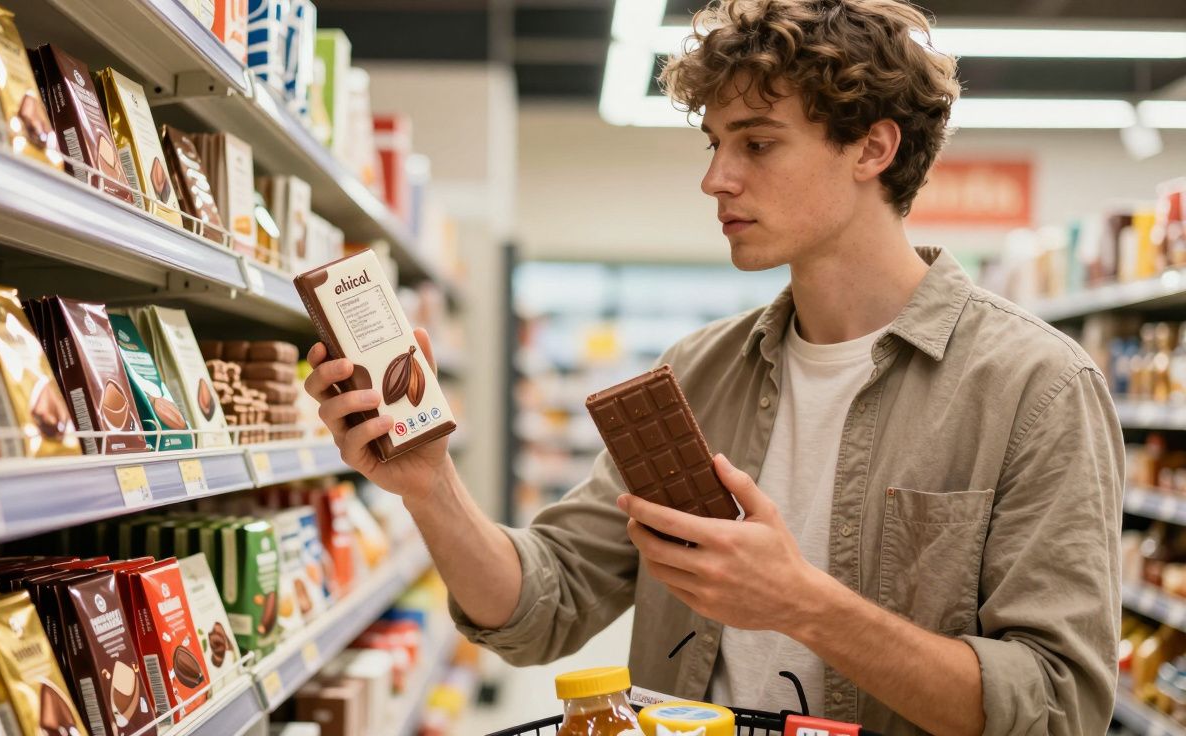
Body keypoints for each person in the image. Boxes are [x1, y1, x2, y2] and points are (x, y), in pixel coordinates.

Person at [302, 0, 1124, 733]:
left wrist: (806, 605)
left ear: (873, 147)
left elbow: (1057, 707)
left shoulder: (1036, 390)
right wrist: (430, 486)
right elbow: (541, 609)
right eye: (716, 143)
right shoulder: (696, 374)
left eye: (757, 144)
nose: (714, 179)